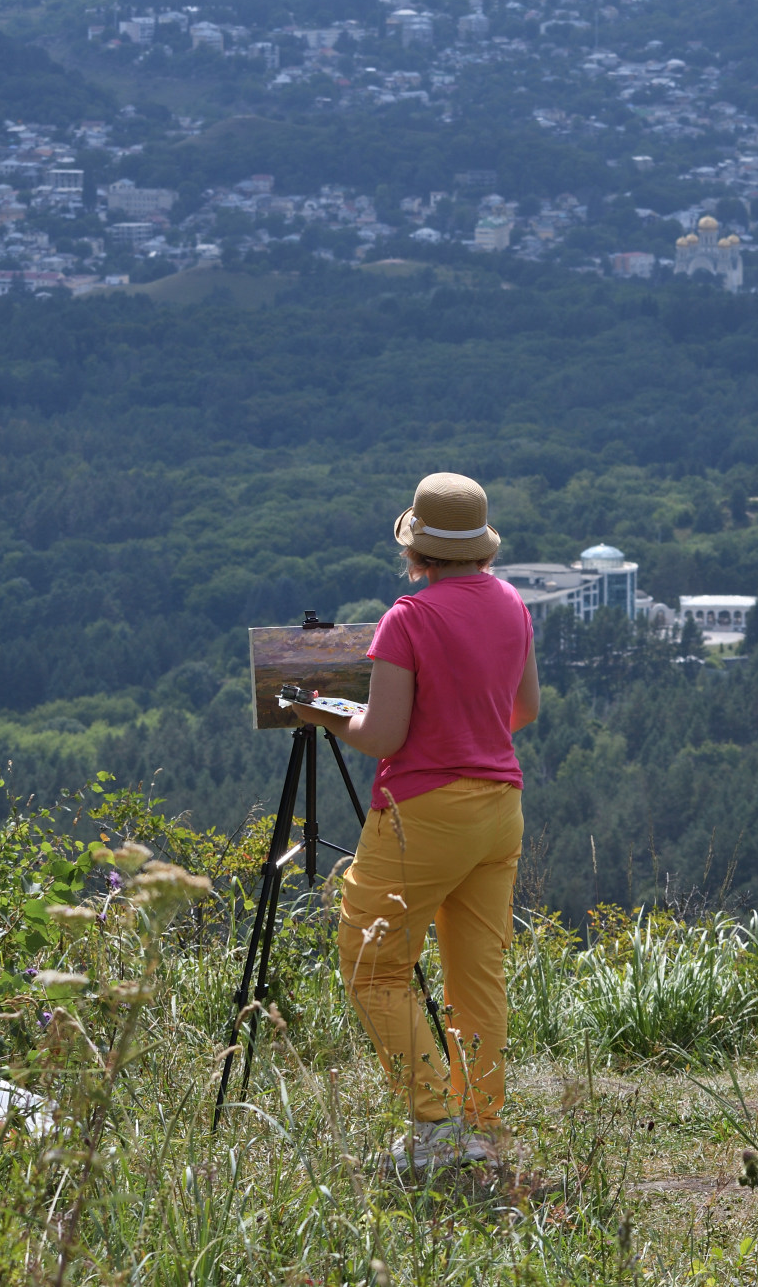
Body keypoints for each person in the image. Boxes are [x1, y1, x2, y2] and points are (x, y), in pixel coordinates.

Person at [286, 472, 539, 1175]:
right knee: (477, 974)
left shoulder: (410, 617)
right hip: (500, 808)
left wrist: (326, 712)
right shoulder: (514, 604)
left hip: (426, 813)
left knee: (372, 966)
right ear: (480, 545)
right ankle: (483, 1124)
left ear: (418, 550)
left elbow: (386, 735)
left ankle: (434, 1124)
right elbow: (522, 712)